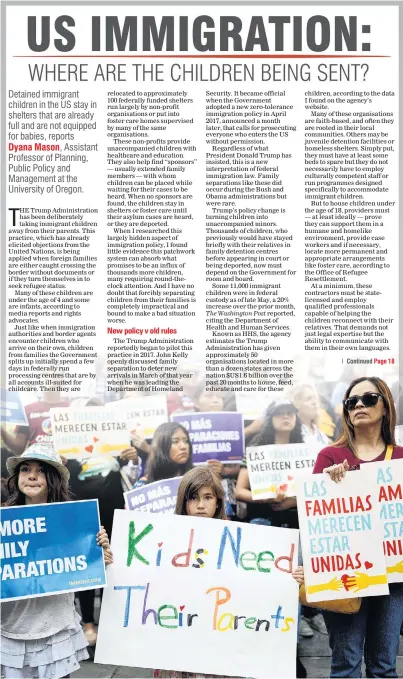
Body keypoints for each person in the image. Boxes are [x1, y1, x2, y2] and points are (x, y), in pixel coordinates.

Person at [155, 467, 304, 678]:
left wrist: (290, 577)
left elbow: (260, 580)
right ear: (182, 501)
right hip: (183, 633)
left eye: (207, 497)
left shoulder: (238, 539)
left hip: (222, 638)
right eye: (193, 498)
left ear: (218, 502)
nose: (200, 505)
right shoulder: (168, 538)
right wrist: (107, 555)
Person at [313, 376, 403, 678]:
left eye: (368, 398)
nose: (359, 405)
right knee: (345, 665)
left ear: (386, 405)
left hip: (394, 577)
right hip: (346, 575)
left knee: (384, 666)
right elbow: (317, 522)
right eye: (352, 402)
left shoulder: (401, 459)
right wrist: (328, 485)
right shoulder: (330, 457)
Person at [1, 443, 113, 679]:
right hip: (12, 626)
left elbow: (85, 569)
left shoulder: (75, 522)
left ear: (53, 479)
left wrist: (100, 556)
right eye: (25, 469)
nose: (31, 475)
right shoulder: (4, 522)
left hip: (54, 627)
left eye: (41, 470)